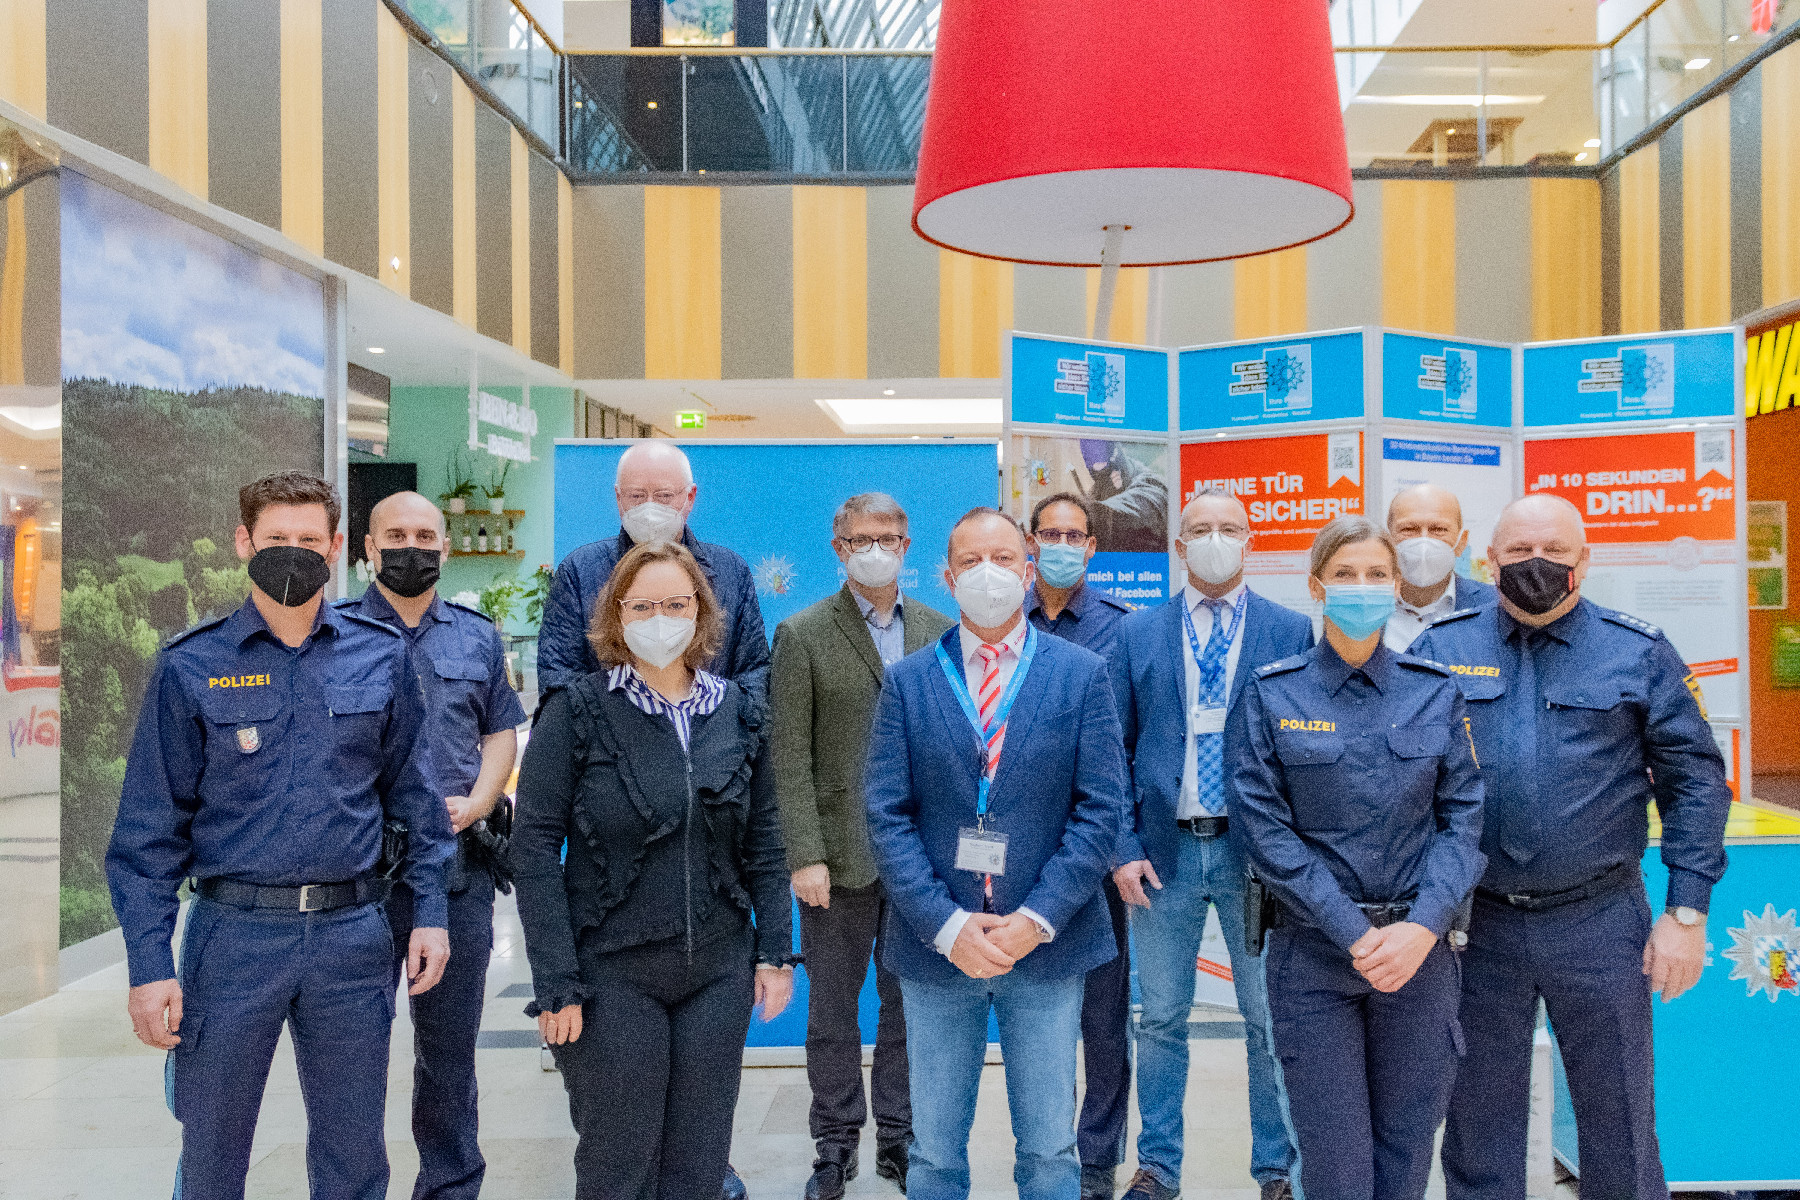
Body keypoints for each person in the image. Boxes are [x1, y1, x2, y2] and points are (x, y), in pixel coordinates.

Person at [105, 470, 454, 1200]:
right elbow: (146, 836)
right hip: (233, 938)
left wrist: (430, 912)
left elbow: (417, 801)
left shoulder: (381, 655)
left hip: (352, 936)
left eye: (307, 540)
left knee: (355, 1154)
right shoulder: (191, 664)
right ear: (243, 543)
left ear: (334, 548)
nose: (292, 553)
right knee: (212, 1150)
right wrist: (148, 965)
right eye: (275, 540)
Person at [1412, 495, 1731, 1200]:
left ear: (1584, 560)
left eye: (1555, 551)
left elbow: (1697, 783)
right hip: (1475, 926)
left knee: (1619, 1117)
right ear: (1487, 559)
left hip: (1599, 919)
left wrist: (1686, 913)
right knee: (1476, 1121)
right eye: (1519, 550)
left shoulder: (1639, 650)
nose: (1537, 564)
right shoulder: (1441, 651)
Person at [513, 540, 798, 1200]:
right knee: (621, 1159)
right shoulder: (577, 710)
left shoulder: (739, 710)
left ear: (702, 614)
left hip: (718, 973)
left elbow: (766, 841)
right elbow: (532, 850)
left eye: (677, 603)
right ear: (616, 615)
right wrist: (556, 980)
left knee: (698, 1167)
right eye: (644, 605)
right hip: (612, 975)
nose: (661, 617)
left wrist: (775, 952)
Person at [864, 507, 1125, 1200]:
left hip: (1045, 946)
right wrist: (947, 926)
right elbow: (887, 814)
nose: (989, 574)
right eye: (972, 562)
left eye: (1004, 559)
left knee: (1048, 1151)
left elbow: (1101, 811)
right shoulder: (911, 681)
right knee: (936, 1153)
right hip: (937, 950)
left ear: (1028, 570)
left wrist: (1036, 917)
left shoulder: (1081, 674)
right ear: (948, 578)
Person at [1229, 516, 1487, 1200]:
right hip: (1314, 956)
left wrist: (1422, 927)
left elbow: (1463, 821)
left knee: (1405, 1155)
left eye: (1377, 574)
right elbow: (1267, 832)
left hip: (1418, 956)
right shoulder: (1272, 692)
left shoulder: (1434, 689)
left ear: (1397, 585)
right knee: (1337, 1164)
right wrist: (1355, 932)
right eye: (1345, 574)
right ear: (1317, 586)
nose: (1362, 586)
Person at [1109, 489, 1310, 1200]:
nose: (1215, 539)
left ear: (1250, 540)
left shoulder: (1292, 633)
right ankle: (1159, 1167)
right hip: (1161, 853)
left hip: (1256, 858)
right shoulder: (1137, 634)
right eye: (1200, 529)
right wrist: (1121, 846)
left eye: (1229, 528)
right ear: (1178, 546)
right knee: (1160, 1017)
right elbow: (1114, 753)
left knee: (1267, 1018)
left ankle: (1277, 1168)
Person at [340, 490, 525, 1200]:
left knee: (448, 1056)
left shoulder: (477, 637)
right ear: (367, 547)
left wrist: (481, 798)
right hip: (360, 875)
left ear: (446, 549)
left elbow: (500, 729)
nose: (410, 547)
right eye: (395, 535)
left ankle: (450, 1186)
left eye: (424, 535)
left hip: (456, 872)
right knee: (352, 1055)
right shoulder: (334, 630)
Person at [770, 493, 954, 1200]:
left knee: (909, 1004)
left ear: (908, 544)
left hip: (919, 861)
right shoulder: (804, 632)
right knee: (834, 1010)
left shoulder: (941, 631)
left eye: (888, 536)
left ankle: (899, 1137)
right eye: (860, 537)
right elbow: (789, 755)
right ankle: (835, 1139)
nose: (875, 548)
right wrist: (804, 854)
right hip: (836, 861)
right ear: (838, 546)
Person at [1020, 491, 1133, 1199]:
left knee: (1105, 1018)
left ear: (1092, 546)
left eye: (1074, 534)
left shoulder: (1124, 630)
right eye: (1049, 532)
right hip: (1021, 849)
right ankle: (1046, 1150)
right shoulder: (1002, 623)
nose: (1062, 543)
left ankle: (1096, 1160)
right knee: (1035, 1018)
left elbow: (1133, 748)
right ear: (1030, 542)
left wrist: (1119, 844)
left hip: (1096, 852)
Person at [537, 441, 770, 700]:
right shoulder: (579, 572)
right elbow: (558, 676)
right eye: (636, 496)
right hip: (605, 733)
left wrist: (725, 728)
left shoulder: (731, 572)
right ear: (618, 497)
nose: (649, 508)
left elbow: (754, 672)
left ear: (689, 497)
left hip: (712, 732)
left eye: (664, 496)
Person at [1383, 484, 1499, 652]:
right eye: (1409, 529)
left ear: (1462, 542)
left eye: (1438, 530)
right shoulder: (1365, 608)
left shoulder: (1496, 605)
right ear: (1387, 540)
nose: (1424, 541)